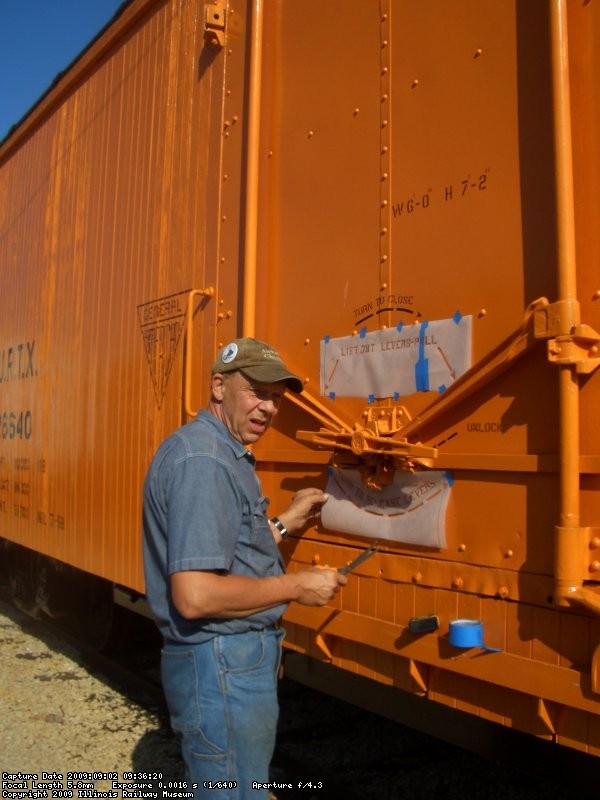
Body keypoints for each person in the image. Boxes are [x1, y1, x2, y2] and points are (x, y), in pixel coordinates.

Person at [142, 337, 347, 798]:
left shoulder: (214, 450)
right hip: (221, 664)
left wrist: (284, 523)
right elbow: (195, 596)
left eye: (276, 397)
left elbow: (224, 546)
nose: (269, 407)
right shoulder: (205, 462)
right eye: (256, 391)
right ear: (219, 386)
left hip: (225, 663)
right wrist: (295, 585)